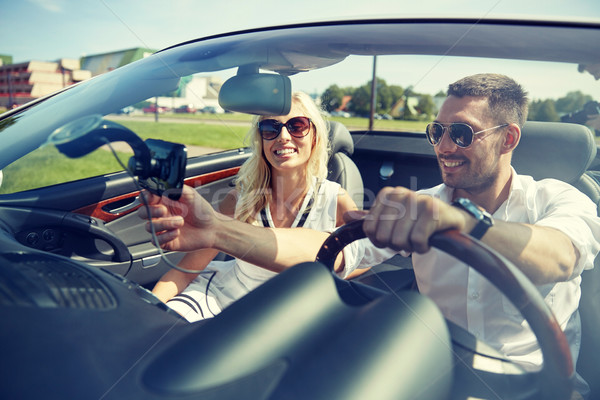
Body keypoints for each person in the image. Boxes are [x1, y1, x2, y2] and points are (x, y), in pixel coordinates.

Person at [141, 74, 600, 397]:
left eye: (461, 133)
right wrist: (219, 230)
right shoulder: (413, 206)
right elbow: (328, 248)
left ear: (508, 138)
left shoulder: (558, 199)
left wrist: (464, 220)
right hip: (427, 369)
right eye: (436, 131)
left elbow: (559, 255)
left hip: (536, 383)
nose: (442, 146)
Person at [149, 91, 362, 322]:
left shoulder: (334, 198)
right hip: (221, 298)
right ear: (261, 141)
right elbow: (187, 270)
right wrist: (148, 310)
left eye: (297, 126)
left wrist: (335, 270)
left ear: (315, 137)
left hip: (292, 313)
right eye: (271, 128)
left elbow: (361, 256)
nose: (283, 136)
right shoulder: (239, 199)